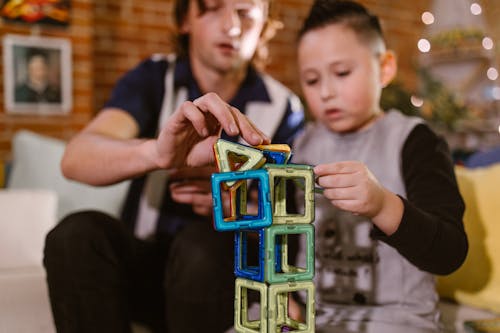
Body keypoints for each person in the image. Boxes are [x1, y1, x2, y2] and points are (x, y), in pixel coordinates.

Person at [43, 0, 304, 332]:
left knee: (202, 245)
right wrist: (158, 154)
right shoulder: (154, 77)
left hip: (219, 270)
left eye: (245, 12)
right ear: (185, 19)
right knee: (76, 235)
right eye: (212, 7)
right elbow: (76, 158)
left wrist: (238, 209)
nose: (232, 27)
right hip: (146, 266)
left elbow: (292, 222)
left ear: (265, 23)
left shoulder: (284, 107)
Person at [291, 1, 468, 332]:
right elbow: (287, 242)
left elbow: (450, 253)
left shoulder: (415, 141)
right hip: (313, 316)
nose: (327, 92)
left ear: (384, 68)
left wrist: (383, 205)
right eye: (312, 80)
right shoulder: (300, 145)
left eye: (342, 73)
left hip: (396, 320)